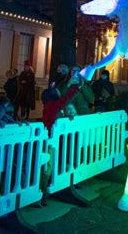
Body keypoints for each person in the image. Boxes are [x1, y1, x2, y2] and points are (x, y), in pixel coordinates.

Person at [39, 74, 82, 207]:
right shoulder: (53, 106)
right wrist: (76, 87)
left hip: (52, 140)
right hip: (49, 142)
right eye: (57, 92)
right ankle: (42, 193)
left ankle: (46, 190)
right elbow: (65, 98)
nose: (59, 93)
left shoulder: (52, 107)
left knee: (50, 166)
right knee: (47, 167)